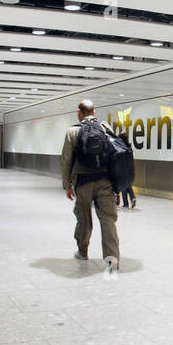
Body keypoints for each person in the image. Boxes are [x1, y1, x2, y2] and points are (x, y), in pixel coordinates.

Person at [61, 100, 120, 269]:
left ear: (79, 113)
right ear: (94, 112)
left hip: (83, 182)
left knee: (84, 219)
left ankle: (83, 250)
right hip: (105, 182)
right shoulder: (105, 128)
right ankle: (112, 261)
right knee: (108, 221)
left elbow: (66, 160)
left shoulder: (72, 132)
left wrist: (67, 185)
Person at [116, 129, 137, 209]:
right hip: (130, 168)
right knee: (126, 184)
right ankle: (129, 200)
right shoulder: (129, 147)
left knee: (124, 184)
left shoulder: (120, 147)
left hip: (122, 168)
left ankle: (130, 199)